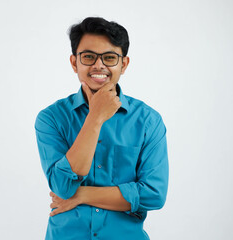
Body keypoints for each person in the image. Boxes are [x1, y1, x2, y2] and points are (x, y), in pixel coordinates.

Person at [35, 17, 169, 240]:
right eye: (88, 57)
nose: (99, 65)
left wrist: (82, 195)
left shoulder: (148, 121)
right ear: (74, 62)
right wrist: (95, 118)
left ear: (123, 64)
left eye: (109, 58)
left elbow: (153, 195)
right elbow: (63, 186)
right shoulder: (51, 118)